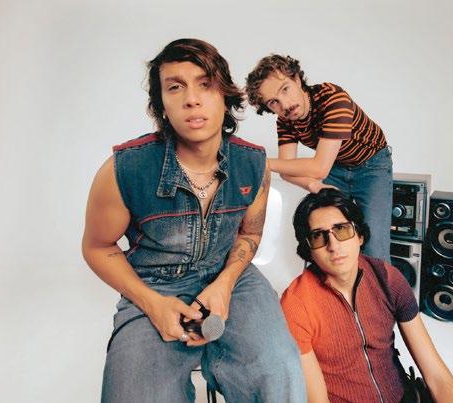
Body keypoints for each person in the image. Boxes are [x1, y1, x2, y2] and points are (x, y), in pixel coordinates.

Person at [82, 38, 305, 402]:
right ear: (161, 103)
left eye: (205, 84)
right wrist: (152, 303)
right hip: (152, 284)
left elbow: (249, 234)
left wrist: (225, 284)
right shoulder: (124, 169)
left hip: (232, 278)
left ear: (225, 96)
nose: (192, 99)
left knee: (279, 372)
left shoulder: (254, 164)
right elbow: (97, 246)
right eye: (175, 87)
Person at [281, 189, 453, 403]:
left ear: (359, 236)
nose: (334, 245)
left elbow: (436, 375)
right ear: (308, 250)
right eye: (318, 236)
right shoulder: (295, 304)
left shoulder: (387, 278)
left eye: (342, 229)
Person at [246, 55, 392, 263]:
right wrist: (313, 185)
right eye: (273, 102)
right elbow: (287, 170)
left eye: (285, 89)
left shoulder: (333, 99)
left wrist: (261, 162)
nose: (285, 105)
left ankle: (376, 284)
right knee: (324, 235)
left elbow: (319, 168)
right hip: (336, 165)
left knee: (374, 244)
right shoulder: (285, 121)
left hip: (372, 166)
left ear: (297, 79)